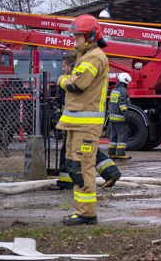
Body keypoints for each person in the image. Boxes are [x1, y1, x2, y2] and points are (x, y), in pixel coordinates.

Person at [56, 15, 110, 226]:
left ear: (90, 35)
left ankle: (87, 213)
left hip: (86, 126)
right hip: (76, 124)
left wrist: (61, 80)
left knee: (82, 167)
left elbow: (78, 84)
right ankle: (82, 211)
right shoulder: (85, 56)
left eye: (77, 35)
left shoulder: (94, 57)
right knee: (73, 166)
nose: (74, 39)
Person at [52, 51, 120, 192]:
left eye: (65, 66)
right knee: (86, 150)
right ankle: (110, 171)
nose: (63, 69)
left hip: (79, 123)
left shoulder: (74, 81)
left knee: (74, 151)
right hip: (82, 122)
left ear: (72, 66)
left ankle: (69, 182)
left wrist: (60, 80)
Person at [107, 73, 131, 160]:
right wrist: (126, 115)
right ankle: (121, 154)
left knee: (113, 135)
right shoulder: (123, 91)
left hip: (112, 117)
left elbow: (110, 104)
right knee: (122, 135)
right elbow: (122, 105)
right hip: (120, 118)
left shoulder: (114, 90)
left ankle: (112, 154)